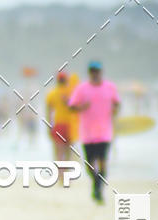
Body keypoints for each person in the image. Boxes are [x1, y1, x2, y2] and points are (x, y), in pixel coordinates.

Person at [68, 61, 120, 203]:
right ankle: (96, 184)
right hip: (87, 134)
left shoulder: (110, 87)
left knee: (102, 162)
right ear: (89, 73)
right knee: (90, 165)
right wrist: (82, 107)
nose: (94, 74)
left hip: (104, 133)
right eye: (92, 71)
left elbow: (116, 103)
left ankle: (98, 191)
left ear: (101, 72)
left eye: (97, 71)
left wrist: (115, 110)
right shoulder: (82, 89)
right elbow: (71, 107)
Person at [45, 70, 79, 182]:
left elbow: (48, 111)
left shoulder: (52, 93)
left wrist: (49, 126)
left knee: (59, 152)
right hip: (70, 125)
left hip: (58, 124)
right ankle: (66, 174)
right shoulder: (71, 93)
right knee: (68, 151)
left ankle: (60, 174)